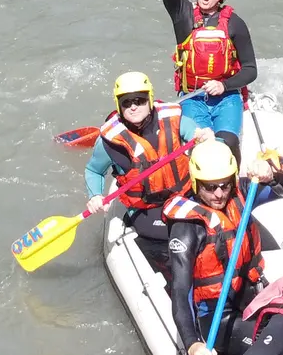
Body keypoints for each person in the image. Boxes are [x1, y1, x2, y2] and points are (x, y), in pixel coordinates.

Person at [84, 71, 210, 272]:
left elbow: (200, 139)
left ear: (150, 100)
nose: (133, 107)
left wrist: (206, 138)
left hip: (184, 195)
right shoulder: (108, 141)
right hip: (146, 210)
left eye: (139, 100)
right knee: (173, 235)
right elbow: (93, 170)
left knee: (206, 226)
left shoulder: (174, 121)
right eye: (126, 103)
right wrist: (95, 196)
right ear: (119, 106)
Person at [164, 139, 272, 355]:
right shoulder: (186, 228)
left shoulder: (241, 191)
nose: (219, 194)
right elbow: (180, 293)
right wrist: (192, 345)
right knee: (272, 350)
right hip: (215, 315)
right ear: (195, 183)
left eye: (224, 185)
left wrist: (269, 169)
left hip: (250, 295)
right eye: (209, 187)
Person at [157, 0, 257, 161]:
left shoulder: (235, 23)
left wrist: (225, 85)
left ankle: (231, 189)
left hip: (226, 97)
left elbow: (251, 70)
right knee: (202, 144)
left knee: (228, 142)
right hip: (193, 97)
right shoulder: (182, 15)